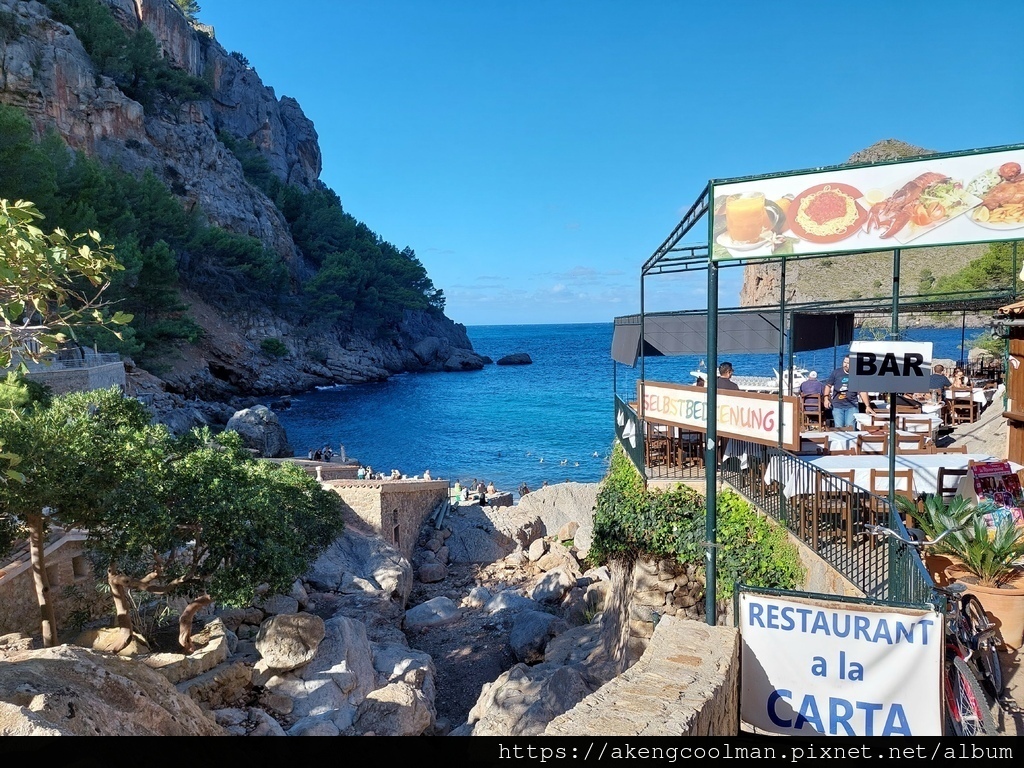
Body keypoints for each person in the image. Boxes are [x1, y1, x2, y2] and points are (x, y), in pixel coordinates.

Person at [824, 355, 875, 429]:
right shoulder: (836, 373)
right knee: (839, 428)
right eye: (844, 362)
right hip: (837, 405)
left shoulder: (857, 374)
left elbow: (862, 391)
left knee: (851, 428)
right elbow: (828, 386)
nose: (845, 364)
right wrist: (826, 398)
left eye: (848, 363)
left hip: (852, 405)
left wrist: (867, 405)